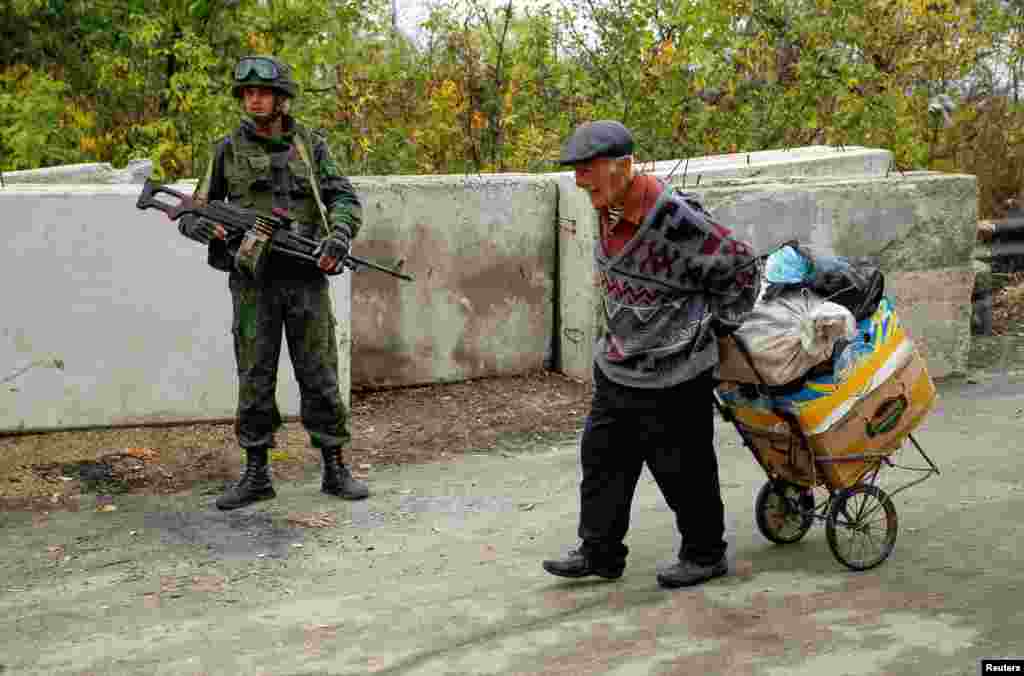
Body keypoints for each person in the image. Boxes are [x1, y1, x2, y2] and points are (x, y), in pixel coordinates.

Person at [542, 120, 759, 588]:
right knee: (602, 460)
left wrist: (716, 328)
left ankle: (705, 554)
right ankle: (600, 552)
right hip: (619, 363)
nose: (579, 181)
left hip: (675, 371)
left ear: (623, 166)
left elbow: (741, 266)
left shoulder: (673, 220)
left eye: (588, 169)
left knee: (683, 468)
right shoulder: (606, 203)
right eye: (576, 171)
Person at [179, 55, 369, 510]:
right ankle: (256, 473)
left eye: (262, 92)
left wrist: (339, 235)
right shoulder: (225, 149)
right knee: (255, 376)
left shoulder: (310, 144)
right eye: (247, 93)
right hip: (253, 284)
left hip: (305, 279)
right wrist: (201, 227)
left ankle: (334, 466)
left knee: (320, 373)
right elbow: (192, 208)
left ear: (282, 98)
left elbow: (343, 196)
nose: (254, 99)